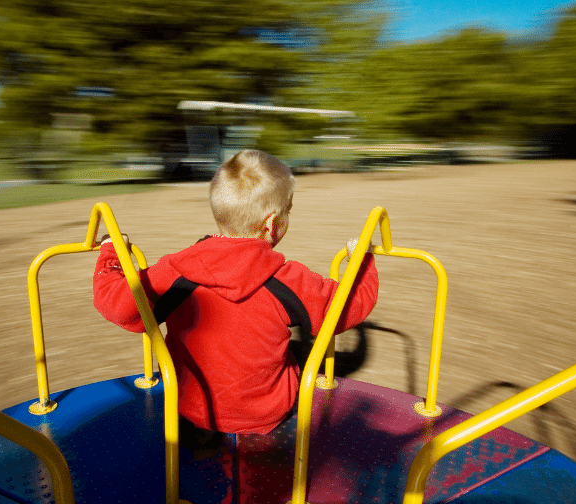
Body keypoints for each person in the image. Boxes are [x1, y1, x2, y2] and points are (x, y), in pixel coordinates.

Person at [93, 149, 378, 434]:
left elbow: (118, 304)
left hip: (191, 410)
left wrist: (112, 254)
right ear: (272, 224)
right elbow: (347, 308)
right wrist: (361, 262)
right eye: (288, 211)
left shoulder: (177, 271)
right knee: (297, 360)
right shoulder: (288, 279)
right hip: (268, 413)